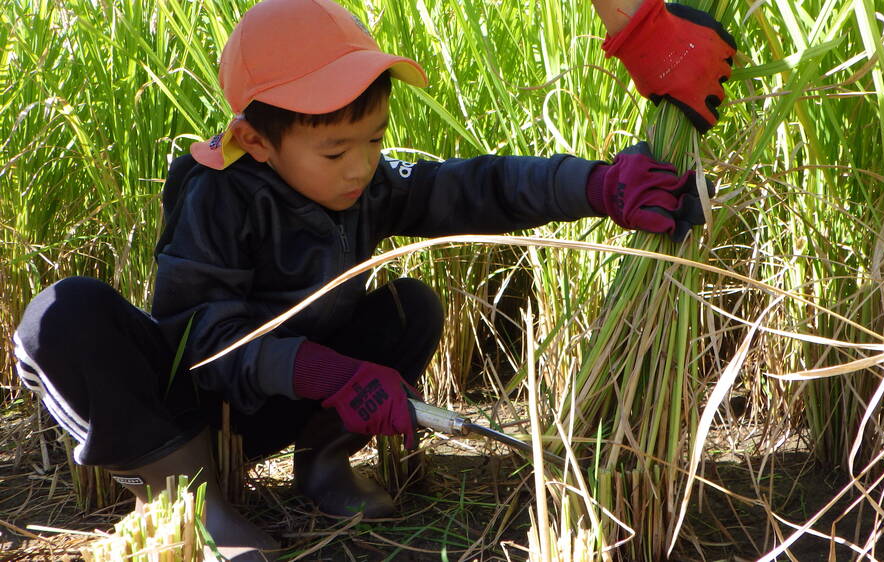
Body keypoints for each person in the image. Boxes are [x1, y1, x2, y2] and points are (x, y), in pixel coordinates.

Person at [12, 0, 734, 559]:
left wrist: (597, 186)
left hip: (284, 402)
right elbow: (200, 342)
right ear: (256, 141)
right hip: (192, 409)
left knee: (407, 307)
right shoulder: (217, 194)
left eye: (375, 140)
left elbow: (475, 188)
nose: (361, 166)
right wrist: (321, 369)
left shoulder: (362, 186)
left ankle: (323, 464)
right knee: (63, 315)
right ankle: (189, 502)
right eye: (334, 150)